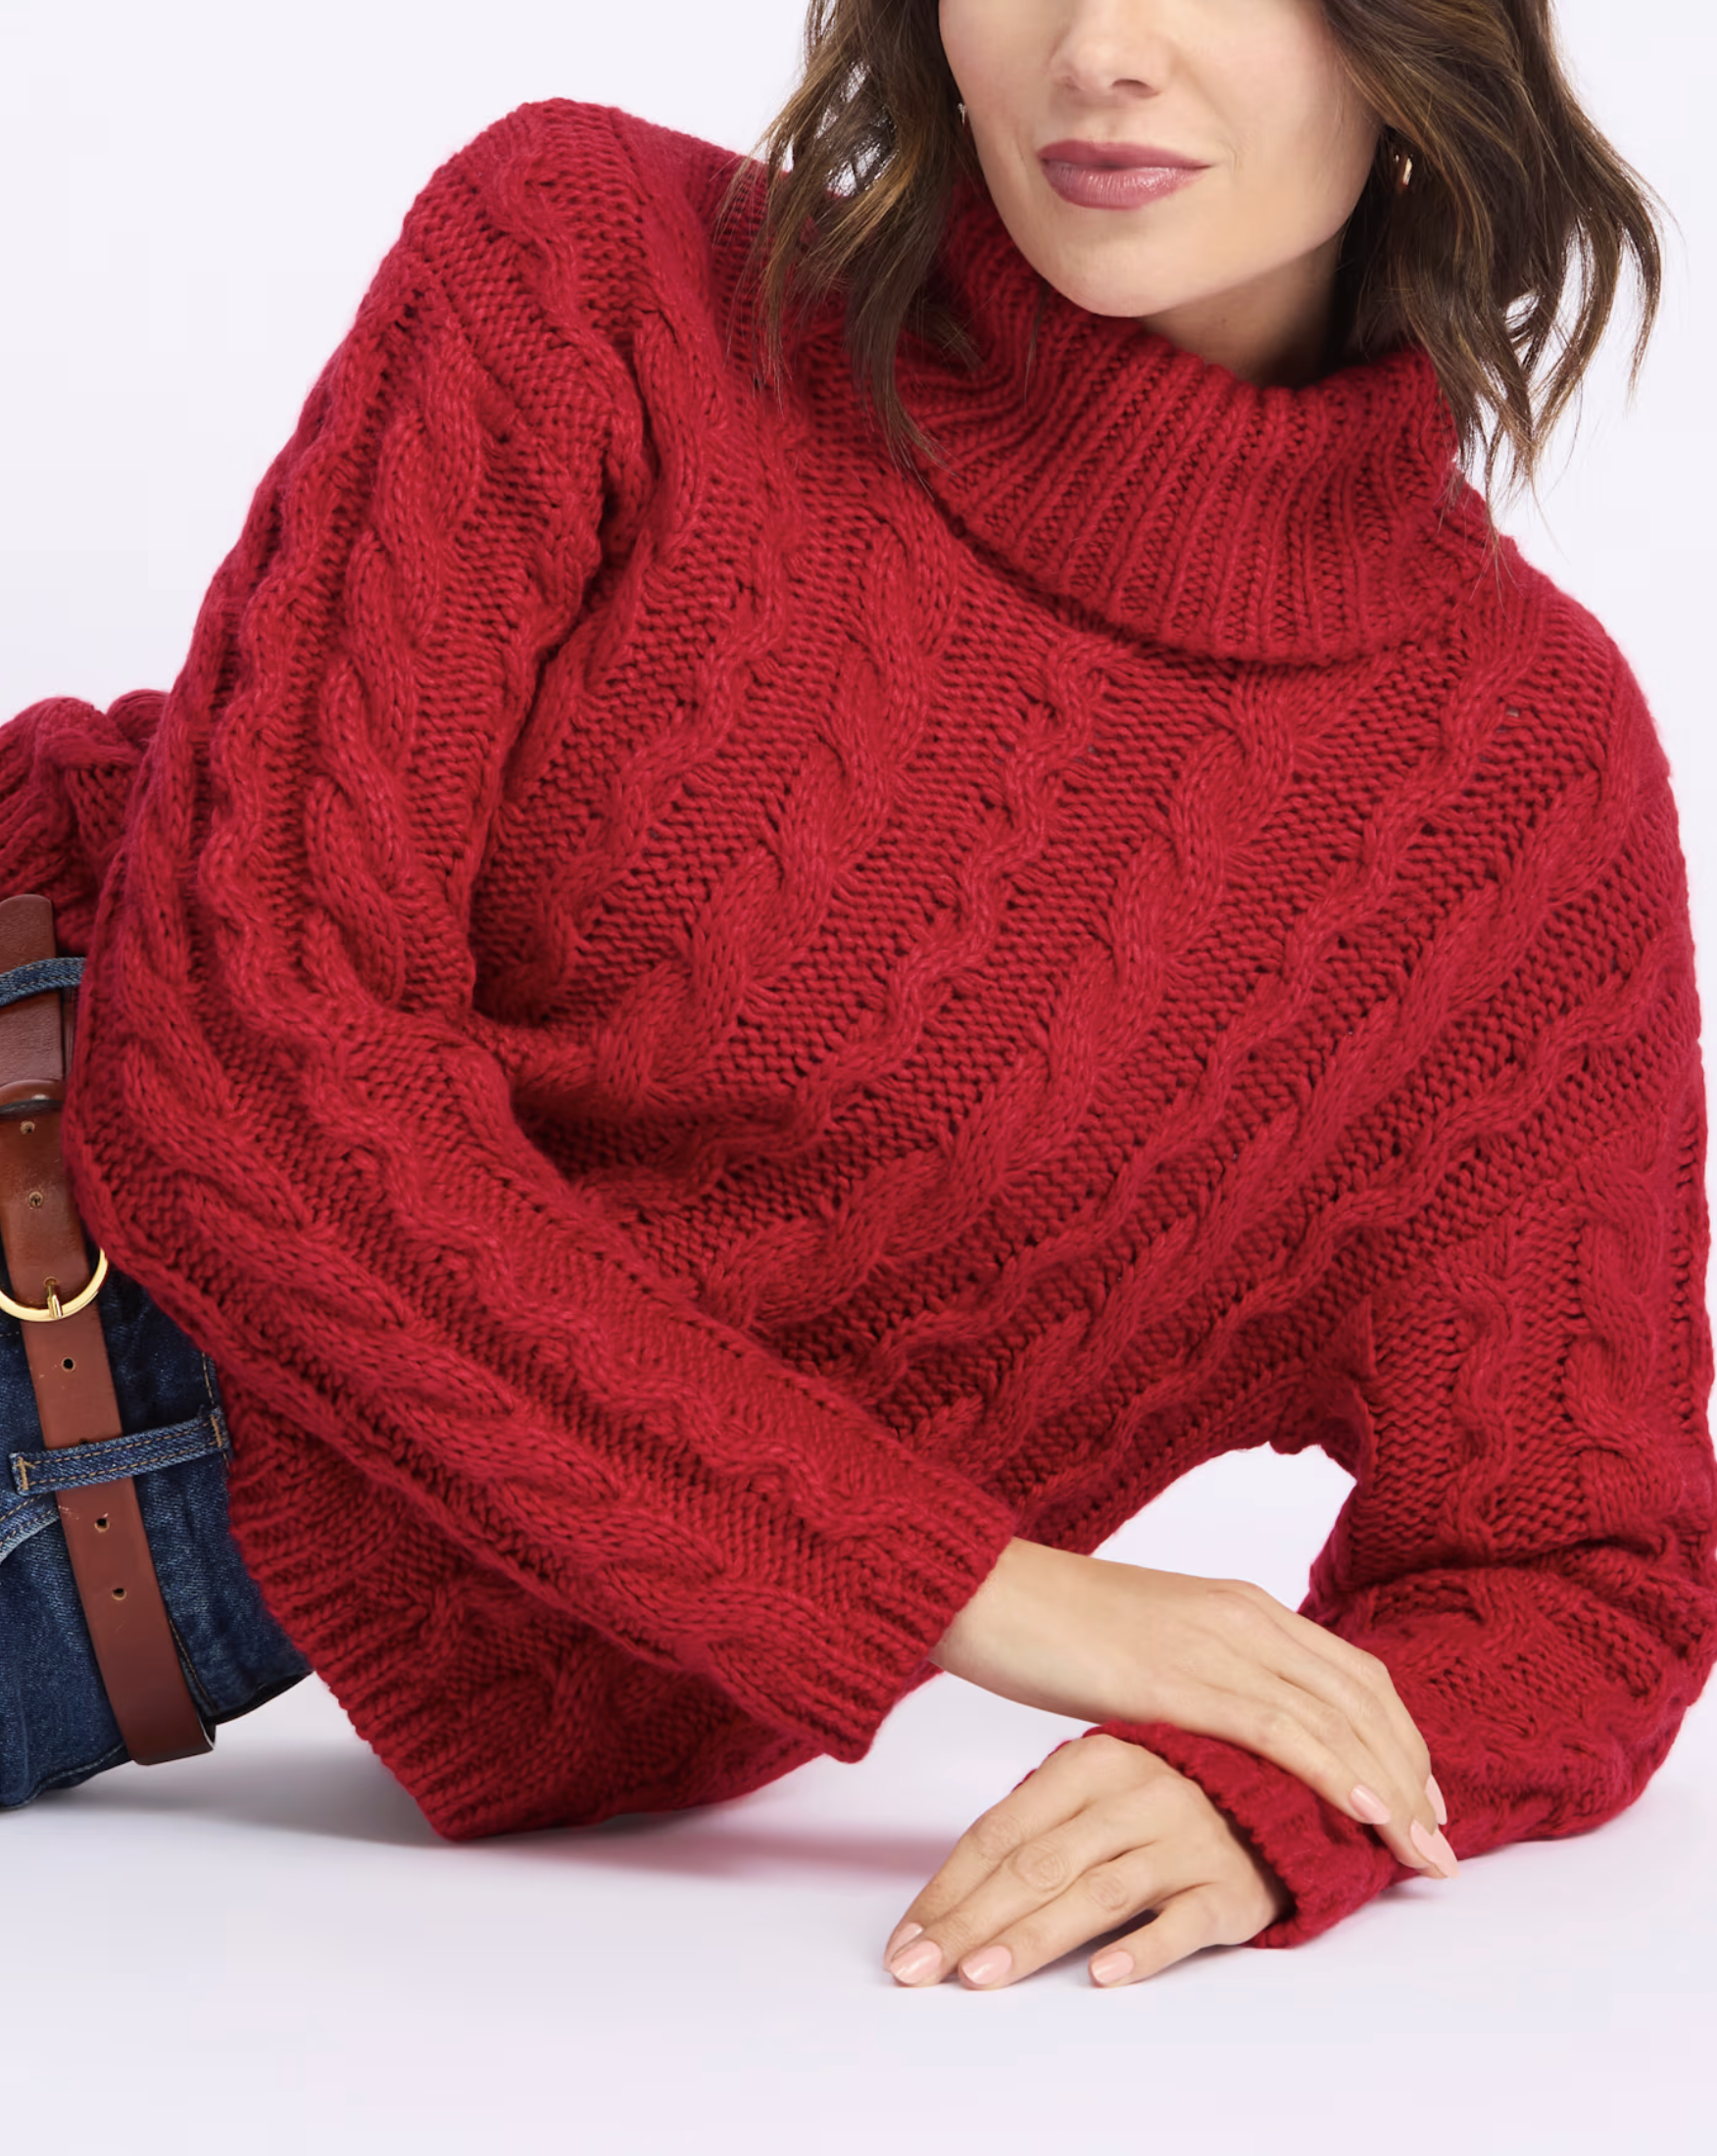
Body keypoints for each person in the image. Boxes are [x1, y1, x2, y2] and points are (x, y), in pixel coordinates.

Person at [1, 0, 1712, 1998]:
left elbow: (1584, 1566)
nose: (1102, 49)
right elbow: (244, 1066)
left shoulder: (1507, 789)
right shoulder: (592, 262)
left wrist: (1277, 1789)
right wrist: (969, 1587)